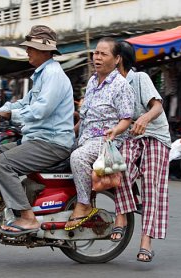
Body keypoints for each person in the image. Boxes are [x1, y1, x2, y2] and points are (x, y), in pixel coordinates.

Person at [0, 25, 75, 236]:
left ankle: (28, 217)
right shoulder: (41, 75)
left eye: (31, 48)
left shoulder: (53, 75)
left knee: (2, 163)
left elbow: (40, 110)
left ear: (45, 51)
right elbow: (23, 104)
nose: (27, 51)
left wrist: (9, 115)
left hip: (52, 142)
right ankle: (11, 206)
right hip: (35, 139)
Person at [64, 37, 135, 231]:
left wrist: (116, 130)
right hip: (85, 137)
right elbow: (87, 117)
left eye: (103, 54)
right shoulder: (93, 81)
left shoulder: (121, 86)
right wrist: (69, 132)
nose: (97, 57)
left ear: (117, 59)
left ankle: (84, 204)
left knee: (78, 158)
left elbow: (127, 119)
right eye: (96, 53)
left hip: (106, 140)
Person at [112, 41, 171, 262]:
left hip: (156, 135)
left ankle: (146, 241)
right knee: (118, 168)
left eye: (105, 54)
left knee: (151, 183)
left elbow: (157, 106)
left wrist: (145, 118)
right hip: (131, 136)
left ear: (118, 59)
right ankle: (123, 214)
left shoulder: (140, 79)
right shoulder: (111, 84)